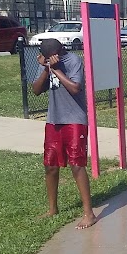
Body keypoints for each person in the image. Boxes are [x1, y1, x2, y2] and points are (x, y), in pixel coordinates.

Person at [32, 39, 97, 230]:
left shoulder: (73, 61)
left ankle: (89, 213)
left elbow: (76, 88)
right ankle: (53, 209)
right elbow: (36, 90)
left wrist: (57, 70)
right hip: (54, 119)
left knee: (77, 165)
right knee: (50, 165)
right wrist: (46, 69)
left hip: (75, 120)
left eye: (52, 56)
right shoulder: (46, 64)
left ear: (60, 51)